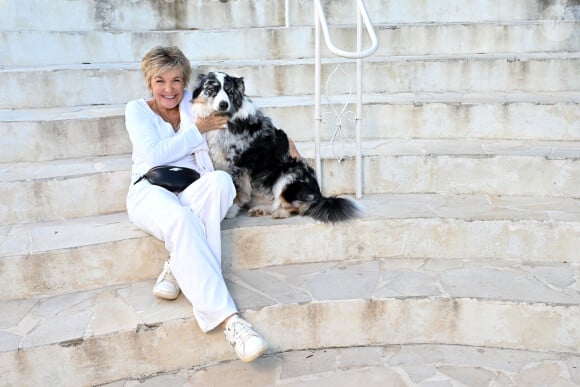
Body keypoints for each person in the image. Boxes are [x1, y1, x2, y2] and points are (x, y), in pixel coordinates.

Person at [125, 46, 268, 362]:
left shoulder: (197, 102)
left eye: (176, 80)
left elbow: (249, 120)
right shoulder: (137, 110)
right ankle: (232, 322)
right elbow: (152, 156)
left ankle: (177, 264)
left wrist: (291, 147)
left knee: (221, 182)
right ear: (149, 82)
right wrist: (197, 132)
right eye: (160, 80)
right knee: (182, 220)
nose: (169, 89)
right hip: (151, 191)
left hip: (192, 187)